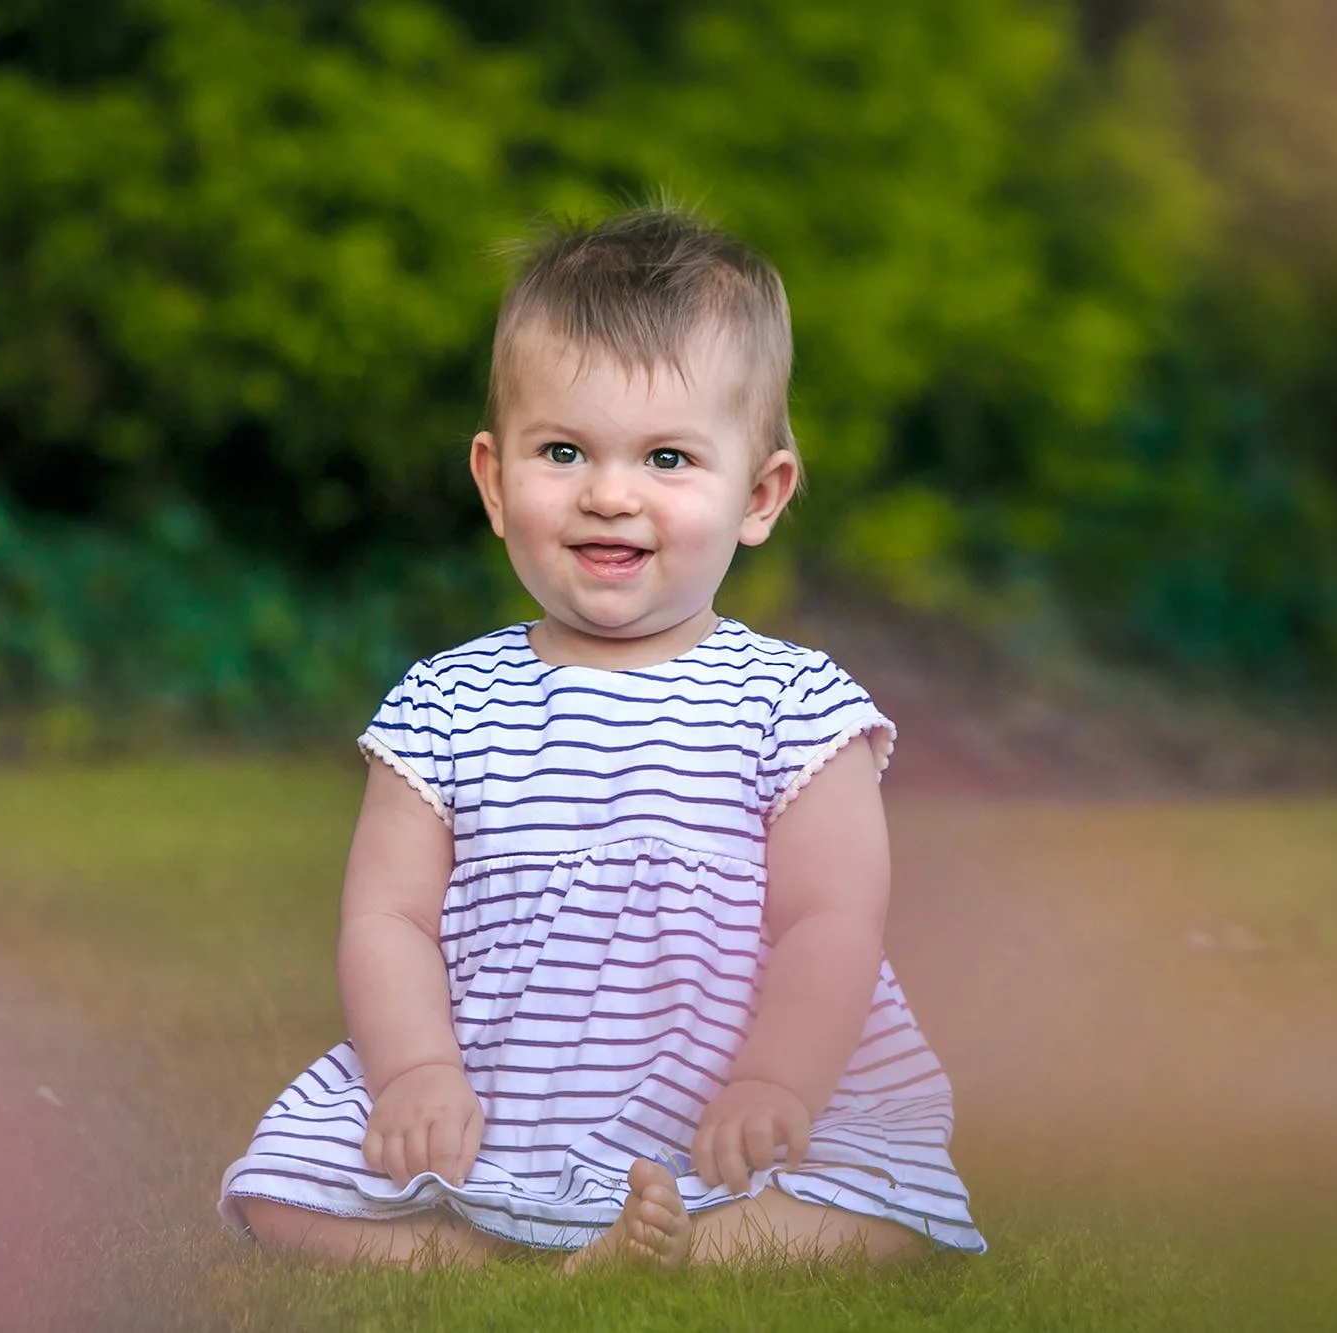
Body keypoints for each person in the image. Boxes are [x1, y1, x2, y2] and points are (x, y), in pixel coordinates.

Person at [219, 207, 985, 1269]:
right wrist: (413, 1074)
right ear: (494, 480)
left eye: (667, 457)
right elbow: (387, 915)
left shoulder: (796, 704)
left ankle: (693, 1247)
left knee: (875, 1203)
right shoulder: (442, 702)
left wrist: (773, 1083)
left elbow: (831, 922)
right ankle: (477, 1263)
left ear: (757, 494)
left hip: (729, 1093)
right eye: (564, 450)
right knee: (278, 1190)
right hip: (496, 1082)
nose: (608, 494)